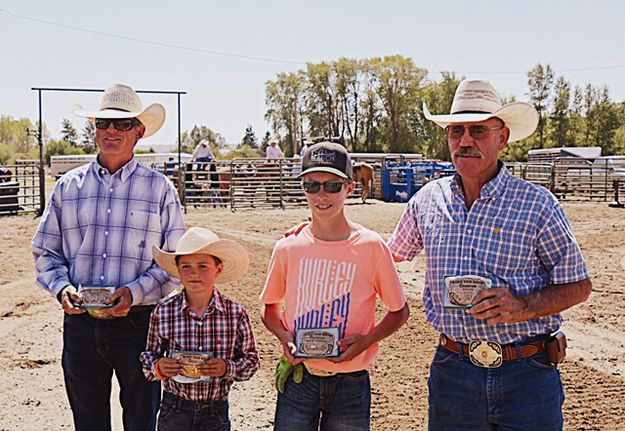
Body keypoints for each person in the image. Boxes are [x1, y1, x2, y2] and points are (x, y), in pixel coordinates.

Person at [388, 79, 592, 431]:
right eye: (456, 130)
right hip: (454, 373)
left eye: (478, 130)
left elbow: (578, 285)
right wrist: (322, 231)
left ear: (502, 138)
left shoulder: (537, 204)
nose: (465, 141)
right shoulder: (427, 201)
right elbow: (388, 254)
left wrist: (524, 306)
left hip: (527, 374)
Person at [32, 83, 186, 431]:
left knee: (142, 421)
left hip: (139, 324)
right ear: (95, 129)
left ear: (139, 131)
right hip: (81, 325)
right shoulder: (68, 187)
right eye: (104, 123)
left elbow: (174, 261)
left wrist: (136, 292)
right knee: (88, 421)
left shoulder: (160, 189)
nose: (111, 131)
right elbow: (46, 251)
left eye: (123, 124)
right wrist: (62, 288)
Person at [260, 142, 410, 430]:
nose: (321, 195)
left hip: (351, 383)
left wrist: (367, 340)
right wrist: (284, 337)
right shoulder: (287, 247)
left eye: (332, 185)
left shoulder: (371, 246)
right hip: (299, 376)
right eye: (311, 185)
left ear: (349, 188)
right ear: (302, 188)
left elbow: (399, 311)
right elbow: (269, 309)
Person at [140, 227, 260, 431]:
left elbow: (251, 360)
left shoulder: (235, 314)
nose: (194, 273)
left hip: (216, 409)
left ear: (218, 269)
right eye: (186, 266)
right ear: (178, 270)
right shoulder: (163, 312)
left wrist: (226, 368)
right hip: (174, 406)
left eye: (203, 266)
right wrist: (159, 367)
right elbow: (148, 356)